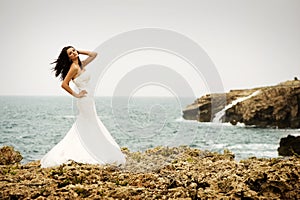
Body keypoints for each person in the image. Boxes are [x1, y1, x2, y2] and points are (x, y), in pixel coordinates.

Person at [40, 46, 126, 168]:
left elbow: (94, 54)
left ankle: (92, 147)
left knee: (90, 123)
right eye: (70, 53)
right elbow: (64, 84)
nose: (74, 53)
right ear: (68, 57)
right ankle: (89, 150)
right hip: (84, 100)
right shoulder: (74, 68)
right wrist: (77, 94)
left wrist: (79, 52)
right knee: (89, 123)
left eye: (74, 50)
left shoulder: (81, 65)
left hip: (89, 99)